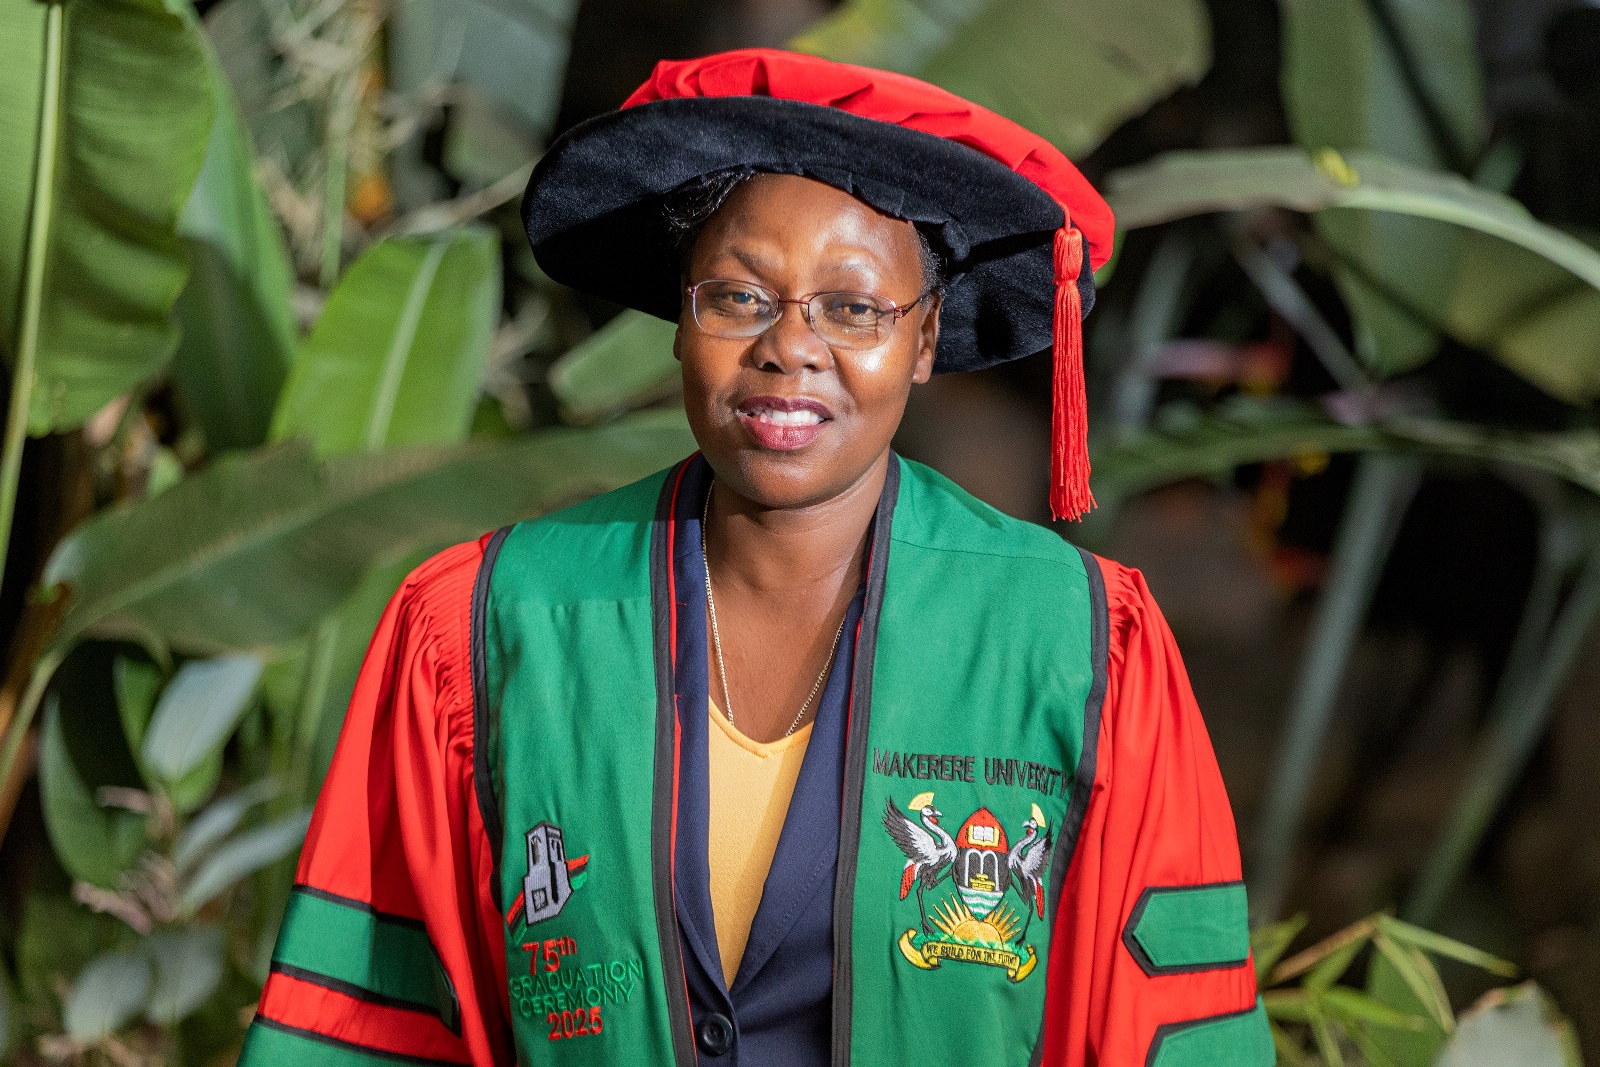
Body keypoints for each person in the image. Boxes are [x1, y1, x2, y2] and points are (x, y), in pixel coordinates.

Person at [238, 48, 1271, 1067]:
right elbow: (369, 1028)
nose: (789, 345)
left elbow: (1168, 1030)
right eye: (737, 297)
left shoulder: (1073, 640)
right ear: (679, 323)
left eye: (853, 307)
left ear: (923, 338)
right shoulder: (489, 626)